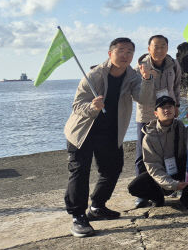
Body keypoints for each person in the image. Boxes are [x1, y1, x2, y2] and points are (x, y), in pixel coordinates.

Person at [63, 37, 155, 238]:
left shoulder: (132, 76)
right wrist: (92, 107)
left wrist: (147, 79)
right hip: (83, 131)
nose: (125, 55)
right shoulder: (95, 75)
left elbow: (145, 99)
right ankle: (78, 216)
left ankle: (97, 206)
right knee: (80, 172)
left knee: (112, 169)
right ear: (110, 53)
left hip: (110, 131)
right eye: (121, 50)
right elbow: (77, 106)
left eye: (129, 52)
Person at [133, 35, 182, 207]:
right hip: (147, 116)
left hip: (169, 113)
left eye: (163, 46)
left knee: (170, 151)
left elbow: (176, 86)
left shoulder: (173, 64)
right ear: (149, 48)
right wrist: (147, 78)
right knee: (142, 155)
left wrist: (177, 105)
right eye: (156, 46)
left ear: (167, 48)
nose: (159, 50)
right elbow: (137, 95)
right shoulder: (140, 67)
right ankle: (144, 194)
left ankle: (170, 186)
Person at [128, 96, 188, 209]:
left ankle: (187, 195)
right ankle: (157, 197)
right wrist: (172, 184)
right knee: (134, 187)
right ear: (155, 113)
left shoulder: (182, 127)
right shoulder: (149, 137)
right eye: (162, 108)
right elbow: (153, 167)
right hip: (162, 172)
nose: (167, 110)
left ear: (175, 110)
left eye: (170, 107)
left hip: (180, 169)